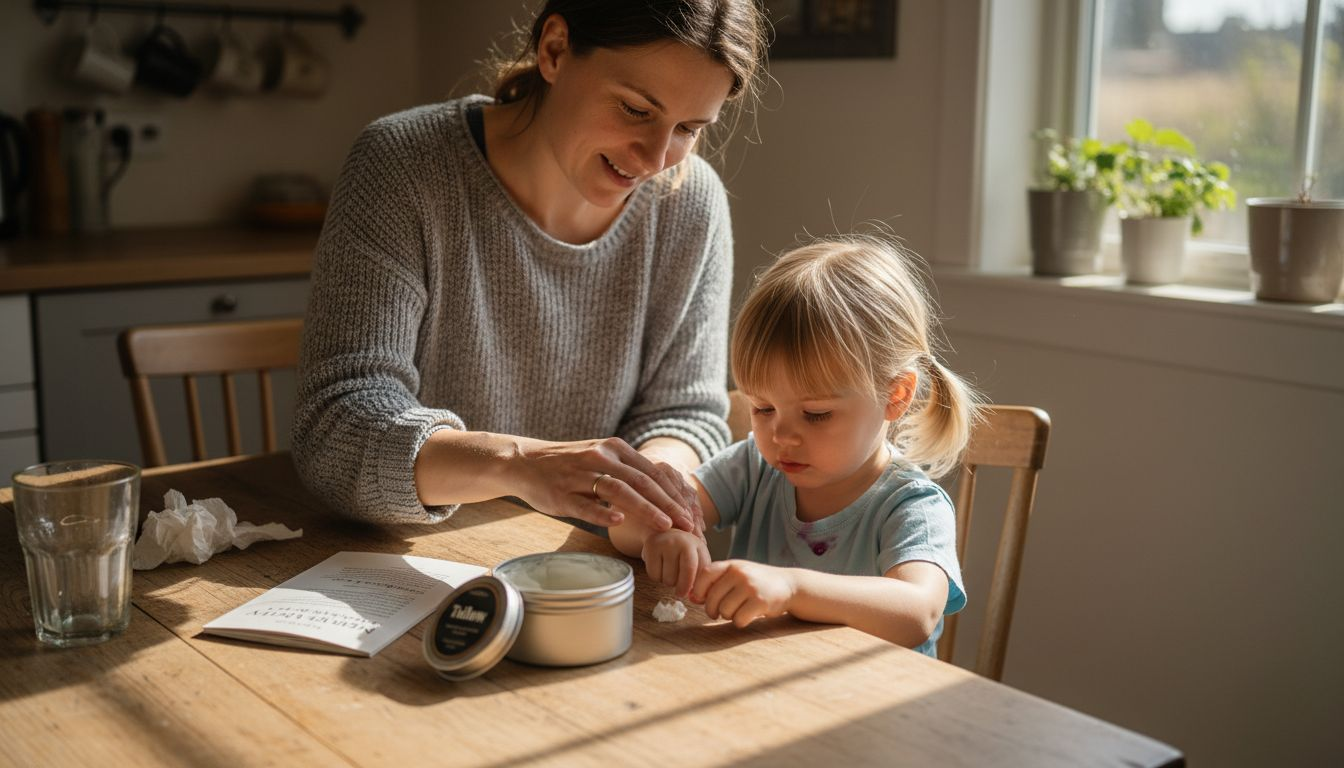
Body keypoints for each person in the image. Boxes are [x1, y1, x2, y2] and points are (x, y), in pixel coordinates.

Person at [292, 1, 767, 533]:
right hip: (411, 555)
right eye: (636, 110)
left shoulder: (690, 203)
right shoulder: (404, 165)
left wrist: (651, 486)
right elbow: (336, 424)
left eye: (687, 128)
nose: (655, 159)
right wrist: (521, 467)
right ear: (555, 51)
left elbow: (684, 414)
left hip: (582, 561)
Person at [610, 236, 981, 656]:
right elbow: (624, 524)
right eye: (763, 408)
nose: (781, 436)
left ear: (895, 396)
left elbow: (917, 613)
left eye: (816, 414)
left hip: (875, 707)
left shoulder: (912, 505)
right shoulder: (755, 467)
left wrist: (790, 588)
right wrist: (663, 531)